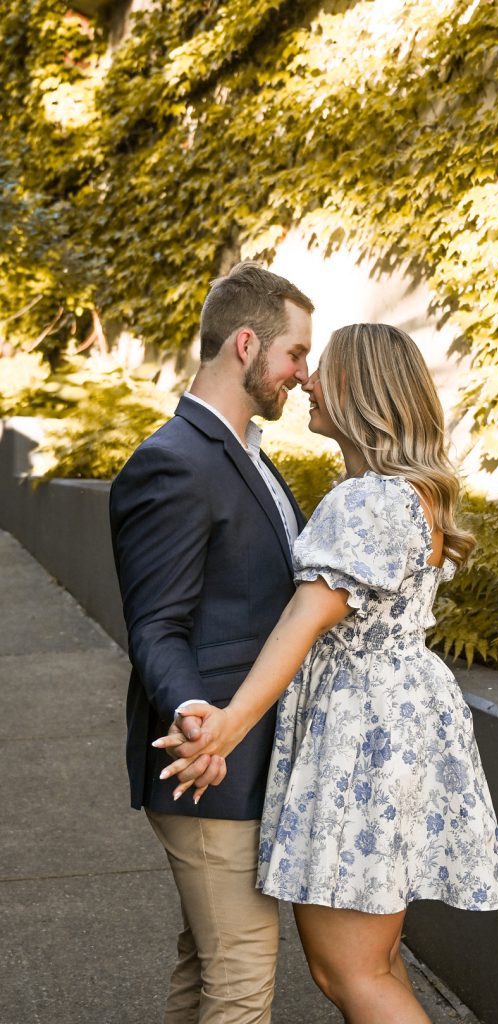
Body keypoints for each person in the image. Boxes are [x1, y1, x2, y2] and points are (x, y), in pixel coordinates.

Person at [158, 323, 498, 1024]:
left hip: (362, 735)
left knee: (349, 971)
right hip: (396, 720)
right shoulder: (409, 494)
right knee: (370, 964)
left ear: (359, 389)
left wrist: (226, 726)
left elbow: (301, 624)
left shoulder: (369, 499)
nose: (308, 379)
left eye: (324, 369)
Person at [109, 261, 314, 1024]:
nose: (303, 373)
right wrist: (195, 709)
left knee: (209, 969)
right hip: (207, 763)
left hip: (244, 760)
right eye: (295, 354)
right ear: (246, 345)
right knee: (240, 982)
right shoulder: (174, 460)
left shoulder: (241, 450)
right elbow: (155, 623)